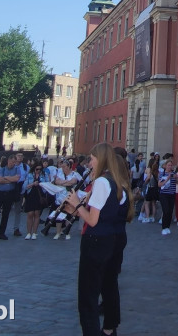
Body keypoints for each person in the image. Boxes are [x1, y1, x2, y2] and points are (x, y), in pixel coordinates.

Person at [64, 142, 131, 336]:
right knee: (108, 285)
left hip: (95, 241)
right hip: (110, 239)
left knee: (87, 296)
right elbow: (103, 214)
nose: (89, 163)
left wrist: (76, 205)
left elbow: (93, 220)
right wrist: (78, 209)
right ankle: (110, 329)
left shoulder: (102, 182)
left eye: (92, 159)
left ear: (100, 158)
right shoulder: (117, 182)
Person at [22, 161, 49, 239]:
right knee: (30, 214)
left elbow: (48, 184)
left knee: (37, 213)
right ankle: (28, 233)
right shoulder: (29, 175)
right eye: (37, 169)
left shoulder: (44, 175)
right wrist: (33, 184)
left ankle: (34, 232)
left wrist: (41, 184)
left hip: (39, 195)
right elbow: (25, 186)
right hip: (31, 194)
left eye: (40, 169)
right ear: (34, 168)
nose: (38, 171)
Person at [158, 158, 176, 235]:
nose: (170, 166)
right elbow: (159, 185)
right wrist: (167, 179)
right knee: (166, 210)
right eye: (168, 165)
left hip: (172, 194)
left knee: (170, 211)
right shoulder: (162, 174)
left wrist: (177, 178)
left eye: (171, 165)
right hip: (164, 194)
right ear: (165, 166)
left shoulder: (174, 173)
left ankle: (168, 227)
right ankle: (163, 227)